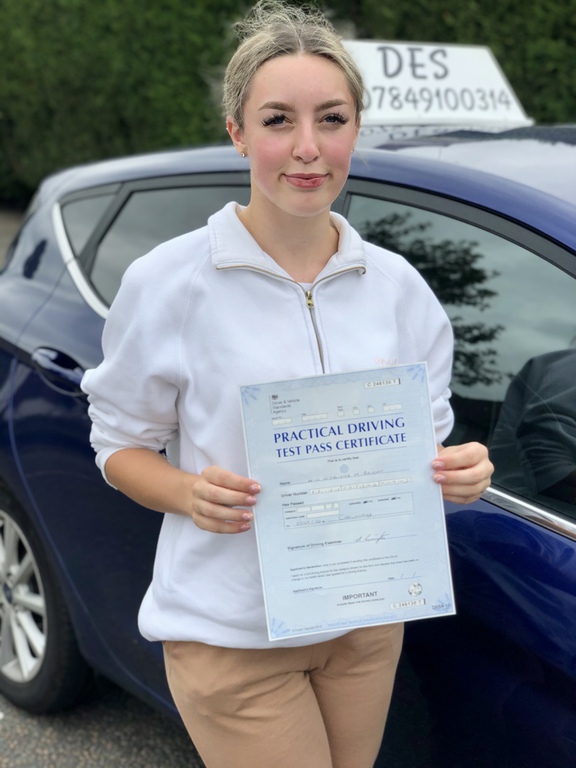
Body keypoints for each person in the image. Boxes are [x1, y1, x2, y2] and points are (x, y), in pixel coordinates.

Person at [81, 2, 493, 766]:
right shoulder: (169, 282)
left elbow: (418, 449)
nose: (308, 147)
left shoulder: (399, 288)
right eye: (278, 120)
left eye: (331, 119)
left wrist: (458, 470)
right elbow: (117, 446)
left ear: (356, 129)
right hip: (234, 636)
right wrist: (188, 493)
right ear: (238, 132)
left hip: (366, 622)